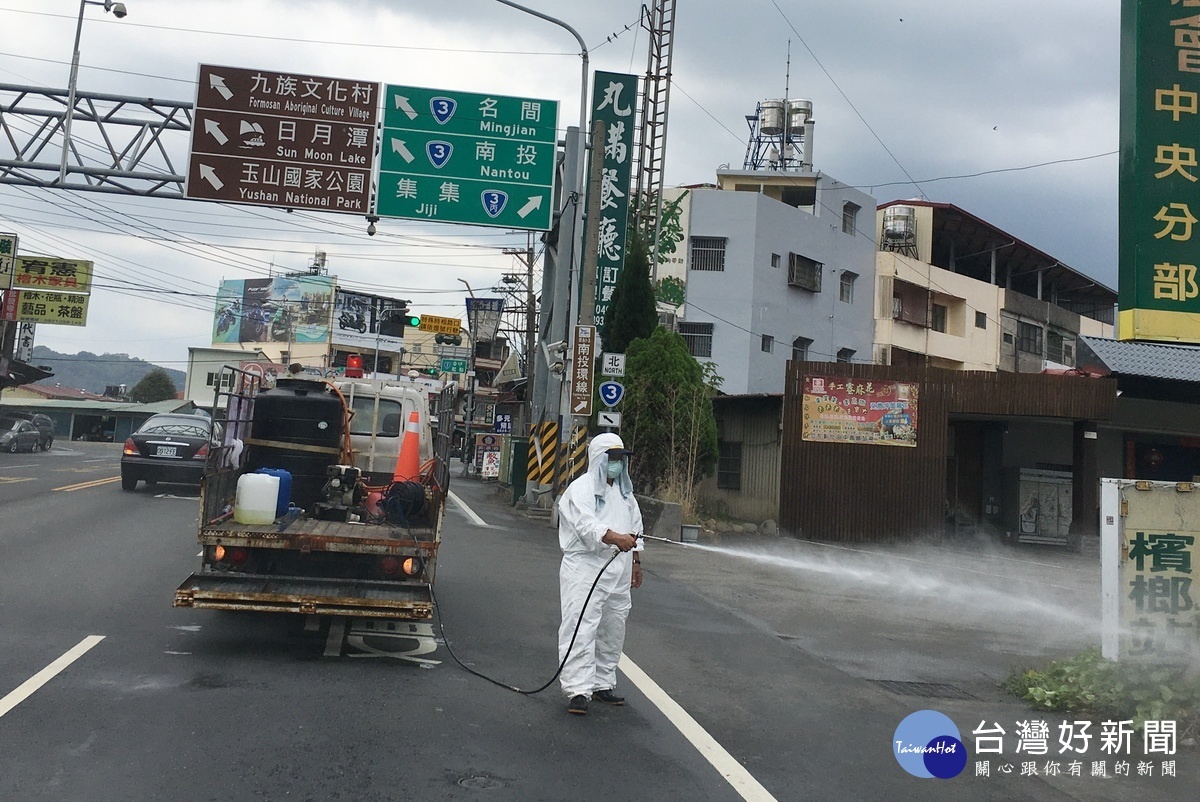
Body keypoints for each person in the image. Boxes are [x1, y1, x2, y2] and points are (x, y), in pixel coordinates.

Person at [556, 432, 644, 715]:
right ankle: (578, 689)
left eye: (622, 459)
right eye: (614, 458)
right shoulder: (580, 490)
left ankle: (603, 682)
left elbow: (636, 527)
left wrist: (636, 561)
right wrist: (616, 538)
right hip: (585, 567)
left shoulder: (625, 494)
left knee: (613, 626)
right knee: (581, 626)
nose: (618, 464)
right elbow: (586, 526)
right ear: (600, 459)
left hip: (618, 568)